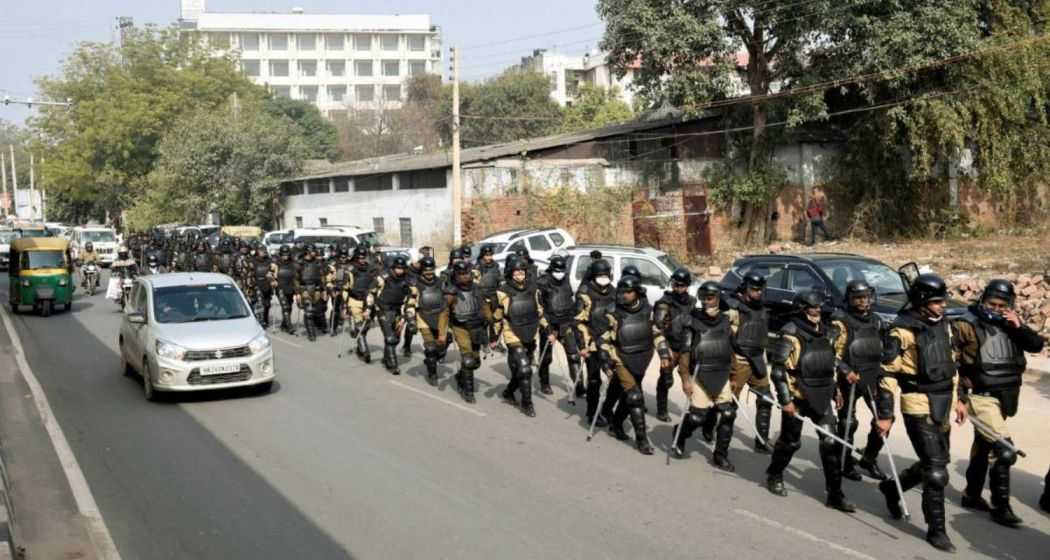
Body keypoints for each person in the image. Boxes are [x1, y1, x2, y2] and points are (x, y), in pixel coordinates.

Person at [875, 274, 966, 552]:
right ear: (923, 301)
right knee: (937, 472)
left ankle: (893, 488)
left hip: (944, 399)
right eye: (937, 301)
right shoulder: (900, 330)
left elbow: (952, 364)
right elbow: (887, 375)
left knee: (937, 461)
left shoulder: (945, 326)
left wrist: (960, 399)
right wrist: (886, 414)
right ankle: (936, 530)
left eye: (943, 301)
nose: (942, 306)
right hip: (917, 401)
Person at [953, 279, 1044, 527]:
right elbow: (953, 364)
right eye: (991, 303)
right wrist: (959, 398)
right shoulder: (966, 324)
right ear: (983, 300)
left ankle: (971, 495)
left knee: (984, 446)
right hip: (980, 396)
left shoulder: (1010, 324)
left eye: (1001, 305)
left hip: (1005, 394)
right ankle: (1000, 506)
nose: (994, 308)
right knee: (1004, 450)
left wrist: (1018, 326)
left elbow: (1036, 345)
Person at [764, 290, 855, 513]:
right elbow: (778, 371)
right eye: (811, 308)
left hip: (822, 394)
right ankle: (774, 474)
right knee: (791, 443)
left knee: (830, 443)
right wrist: (786, 400)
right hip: (797, 395)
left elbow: (829, 360)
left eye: (818, 308)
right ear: (802, 309)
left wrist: (838, 388)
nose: (816, 312)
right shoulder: (790, 333)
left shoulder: (826, 331)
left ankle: (835, 494)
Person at [599, 276, 672, 455]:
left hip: (642, 357)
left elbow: (656, 333)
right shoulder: (612, 312)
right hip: (621, 357)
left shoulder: (648, 311)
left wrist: (663, 353)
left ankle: (614, 421)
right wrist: (605, 356)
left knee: (623, 393)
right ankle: (642, 441)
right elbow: (603, 339)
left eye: (628, 292)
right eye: (622, 291)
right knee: (634, 397)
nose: (624, 295)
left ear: (637, 292)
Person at [672, 281, 738, 471]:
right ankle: (680, 434)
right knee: (697, 418)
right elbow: (685, 353)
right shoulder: (691, 322)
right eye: (704, 298)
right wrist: (685, 378)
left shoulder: (726, 322)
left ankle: (720, 455)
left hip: (722, 372)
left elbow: (730, 350)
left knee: (728, 414)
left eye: (711, 298)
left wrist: (733, 376)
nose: (707, 302)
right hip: (700, 373)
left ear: (718, 299)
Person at [831, 280, 890, 482]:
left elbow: (885, 348)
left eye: (866, 297)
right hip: (849, 378)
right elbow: (828, 352)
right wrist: (845, 369)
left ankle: (869, 459)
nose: (863, 302)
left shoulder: (877, 320)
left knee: (884, 419)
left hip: (872, 376)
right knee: (848, 422)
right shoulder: (840, 321)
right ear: (849, 299)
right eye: (858, 298)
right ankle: (844, 462)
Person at [718, 272, 774, 453]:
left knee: (766, 399)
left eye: (760, 290)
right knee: (729, 406)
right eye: (754, 289)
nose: (758, 293)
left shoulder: (763, 308)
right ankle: (719, 448)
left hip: (758, 359)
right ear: (745, 288)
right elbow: (723, 336)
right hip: (738, 361)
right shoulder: (733, 308)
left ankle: (762, 441)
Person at [493, 256, 551, 417]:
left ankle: (508, 392)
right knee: (525, 369)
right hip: (511, 332)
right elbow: (497, 316)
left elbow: (539, 311)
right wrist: (493, 337)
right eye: (516, 271)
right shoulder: (503, 292)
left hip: (530, 331)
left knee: (521, 371)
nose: (519, 274)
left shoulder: (533, 289)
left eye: (522, 271)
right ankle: (527, 404)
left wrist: (548, 328)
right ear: (510, 273)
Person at [439, 260, 493, 403]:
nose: (464, 277)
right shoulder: (451, 292)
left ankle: (461, 375)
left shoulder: (477, 289)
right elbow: (444, 313)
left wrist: (491, 320)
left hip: (477, 327)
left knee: (475, 362)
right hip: (460, 327)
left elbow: (484, 305)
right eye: (460, 274)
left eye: (466, 273)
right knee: (468, 359)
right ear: (455, 275)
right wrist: (442, 334)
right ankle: (468, 391)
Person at [574, 258, 617, 425]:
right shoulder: (585, 293)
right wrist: (583, 345)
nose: (603, 278)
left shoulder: (615, 292)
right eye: (600, 275)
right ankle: (592, 413)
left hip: (610, 343)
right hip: (591, 342)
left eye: (606, 275)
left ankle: (607, 409)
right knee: (594, 380)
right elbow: (578, 322)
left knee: (615, 379)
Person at [653, 268, 696, 422]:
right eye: (675, 285)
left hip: (687, 346)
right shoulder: (665, 302)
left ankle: (696, 408)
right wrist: (665, 349)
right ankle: (662, 409)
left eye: (682, 286)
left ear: (687, 285)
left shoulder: (692, 302)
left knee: (690, 379)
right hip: (670, 345)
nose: (678, 289)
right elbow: (658, 327)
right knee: (666, 379)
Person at [537, 255, 583, 397]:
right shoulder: (542, 282)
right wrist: (546, 327)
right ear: (551, 269)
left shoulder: (566, 279)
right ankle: (544, 383)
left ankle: (579, 386)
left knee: (574, 355)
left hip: (565, 323)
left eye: (562, 270)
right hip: (549, 324)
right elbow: (538, 306)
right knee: (546, 357)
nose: (560, 273)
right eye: (557, 270)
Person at [370, 256, 416, 375]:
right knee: (389, 338)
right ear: (393, 267)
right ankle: (393, 365)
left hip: (397, 311)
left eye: (402, 268)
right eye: (397, 268)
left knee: (395, 339)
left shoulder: (408, 280)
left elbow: (412, 296)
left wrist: (409, 312)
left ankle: (386, 358)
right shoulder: (383, 277)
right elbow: (371, 291)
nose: (400, 270)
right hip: (383, 310)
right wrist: (370, 306)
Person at [411, 257, 448, 385]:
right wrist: (410, 319)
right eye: (426, 272)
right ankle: (432, 374)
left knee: (443, 344)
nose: (429, 274)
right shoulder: (416, 284)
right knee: (431, 348)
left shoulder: (441, 282)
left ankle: (431, 359)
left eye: (431, 271)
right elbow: (410, 302)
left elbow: (447, 299)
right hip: (423, 317)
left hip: (440, 317)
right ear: (421, 271)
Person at [345, 247, 378, 363]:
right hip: (355, 300)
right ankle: (365, 351)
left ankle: (359, 345)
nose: (362, 259)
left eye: (364, 257)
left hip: (368, 300)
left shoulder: (371, 268)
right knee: (360, 327)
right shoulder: (350, 269)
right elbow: (345, 288)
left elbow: (376, 283)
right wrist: (345, 304)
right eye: (359, 257)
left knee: (366, 326)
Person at [475, 245, 504, 353]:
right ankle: (484, 342)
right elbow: (475, 282)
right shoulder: (477, 266)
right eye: (486, 255)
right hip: (482, 296)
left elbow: (498, 278)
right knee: (484, 321)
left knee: (495, 320)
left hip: (494, 295)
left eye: (490, 255)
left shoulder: (496, 265)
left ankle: (495, 341)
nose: (489, 257)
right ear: (482, 255)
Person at [296, 244, 327, 341]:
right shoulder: (300, 263)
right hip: (304, 288)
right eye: (313, 251)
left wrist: (323, 290)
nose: (315, 253)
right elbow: (296, 280)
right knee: (308, 312)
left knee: (316, 311)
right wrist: (298, 292)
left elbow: (322, 278)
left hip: (316, 288)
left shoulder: (317, 263)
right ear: (308, 252)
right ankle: (311, 334)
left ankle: (320, 326)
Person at [327, 246, 353, 337]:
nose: (343, 259)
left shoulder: (351, 266)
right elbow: (329, 279)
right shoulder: (334, 265)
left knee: (351, 309)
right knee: (335, 309)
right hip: (337, 290)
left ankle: (353, 328)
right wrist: (331, 290)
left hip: (348, 290)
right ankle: (332, 328)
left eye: (345, 257)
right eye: (341, 257)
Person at [247, 245, 276, 328]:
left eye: (264, 251)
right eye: (260, 251)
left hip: (267, 284)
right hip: (257, 284)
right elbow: (249, 273)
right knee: (259, 303)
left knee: (267, 304)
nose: (262, 252)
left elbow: (274, 271)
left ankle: (265, 320)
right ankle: (259, 321)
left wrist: (273, 277)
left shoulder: (269, 261)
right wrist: (251, 284)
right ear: (257, 251)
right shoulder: (253, 260)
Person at [274, 246, 298, 334]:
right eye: (283, 254)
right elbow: (270, 274)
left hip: (290, 288)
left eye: (287, 254)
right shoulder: (276, 263)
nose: (285, 256)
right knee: (285, 307)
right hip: (280, 288)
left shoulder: (293, 264)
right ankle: (289, 327)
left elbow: (296, 275)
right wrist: (273, 281)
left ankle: (284, 324)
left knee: (289, 307)